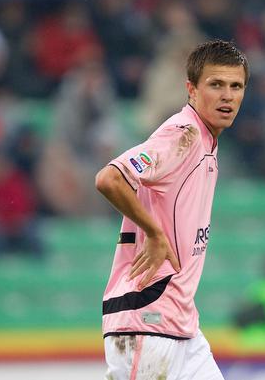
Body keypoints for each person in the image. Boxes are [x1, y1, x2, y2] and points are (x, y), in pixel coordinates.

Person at [95, 40, 248, 379]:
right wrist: (153, 231)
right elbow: (110, 179)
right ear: (191, 90)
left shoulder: (206, 142)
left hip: (182, 326)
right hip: (146, 320)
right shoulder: (184, 133)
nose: (227, 95)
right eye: (216, 85)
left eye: (235, 86)